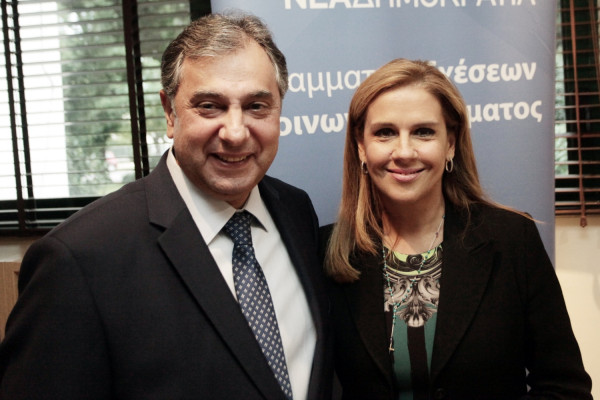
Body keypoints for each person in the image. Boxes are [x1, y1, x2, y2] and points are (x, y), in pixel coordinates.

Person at [0, 12, 332, 400]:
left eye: (257, 106)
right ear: (170, 113)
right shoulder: (79, 259)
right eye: (209, 106)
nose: (235, 133)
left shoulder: (295, 211)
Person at [321, 58, 592, 400]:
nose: (404, 151)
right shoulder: (327, 251)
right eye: (385, 132)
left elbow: (565, 388)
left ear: (450, 143)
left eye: (423, 131)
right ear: (361, 146)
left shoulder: (512, 240)